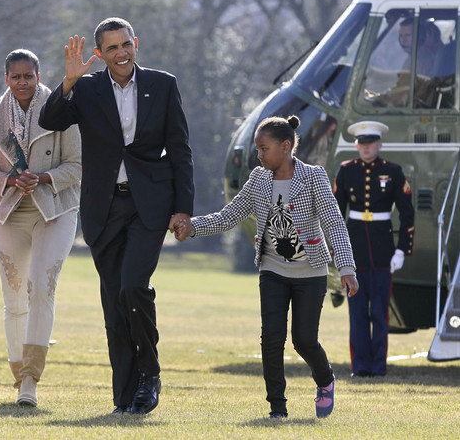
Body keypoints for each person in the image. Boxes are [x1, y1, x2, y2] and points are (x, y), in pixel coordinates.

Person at [38, 17, 194, 415]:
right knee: (113, 303)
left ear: (135, 43)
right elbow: (50, 120)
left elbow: (180, 150)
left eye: (126, 44)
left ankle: (150, 373)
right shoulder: (87, 89)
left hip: (150, 205)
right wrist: (69, 81)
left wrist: (183, 209)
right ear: (99, 54)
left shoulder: (163, 84)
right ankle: (124, 396)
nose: (121, 53)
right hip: (103, 207)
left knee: (132, 286)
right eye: (112, 48)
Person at [173, 116, 358, 419]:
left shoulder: (313, 177)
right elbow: (229, 216)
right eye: (257, 150)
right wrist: (192, 227)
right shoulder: (258, 179)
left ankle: (325, 381)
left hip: (310, 272)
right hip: (272, 270)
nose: (259, 156)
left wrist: (346, 268)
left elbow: (333, 222)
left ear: (285, 147)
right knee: (271, 338)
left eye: (264, 149)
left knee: (304, 341)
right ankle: (277, 408)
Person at [0, 49, 81, 407]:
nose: (22, 83)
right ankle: (19, 377)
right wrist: (9, 180)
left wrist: (45, 176)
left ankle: (32, 379)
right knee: (14, 298)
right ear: (6, 78)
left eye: (28, 76)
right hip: (9, 211)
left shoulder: (61, 110)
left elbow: (78, 166)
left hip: (54, 209)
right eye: (15, 77)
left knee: (41, 290)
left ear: (38, 76)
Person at [333, 121, 414, 378]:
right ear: (356, 145)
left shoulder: (393, 171)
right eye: (362, 144)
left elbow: (407, 213)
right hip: (354, 249)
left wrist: (402, 250)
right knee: (357, 313)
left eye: (371, 144)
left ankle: (378, 366)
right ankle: (360, 366)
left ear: (379, 145)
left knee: (379, 312)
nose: (366, 149)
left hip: (382, 250)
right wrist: (337, 249)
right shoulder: (346, 171)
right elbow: (336, 213)